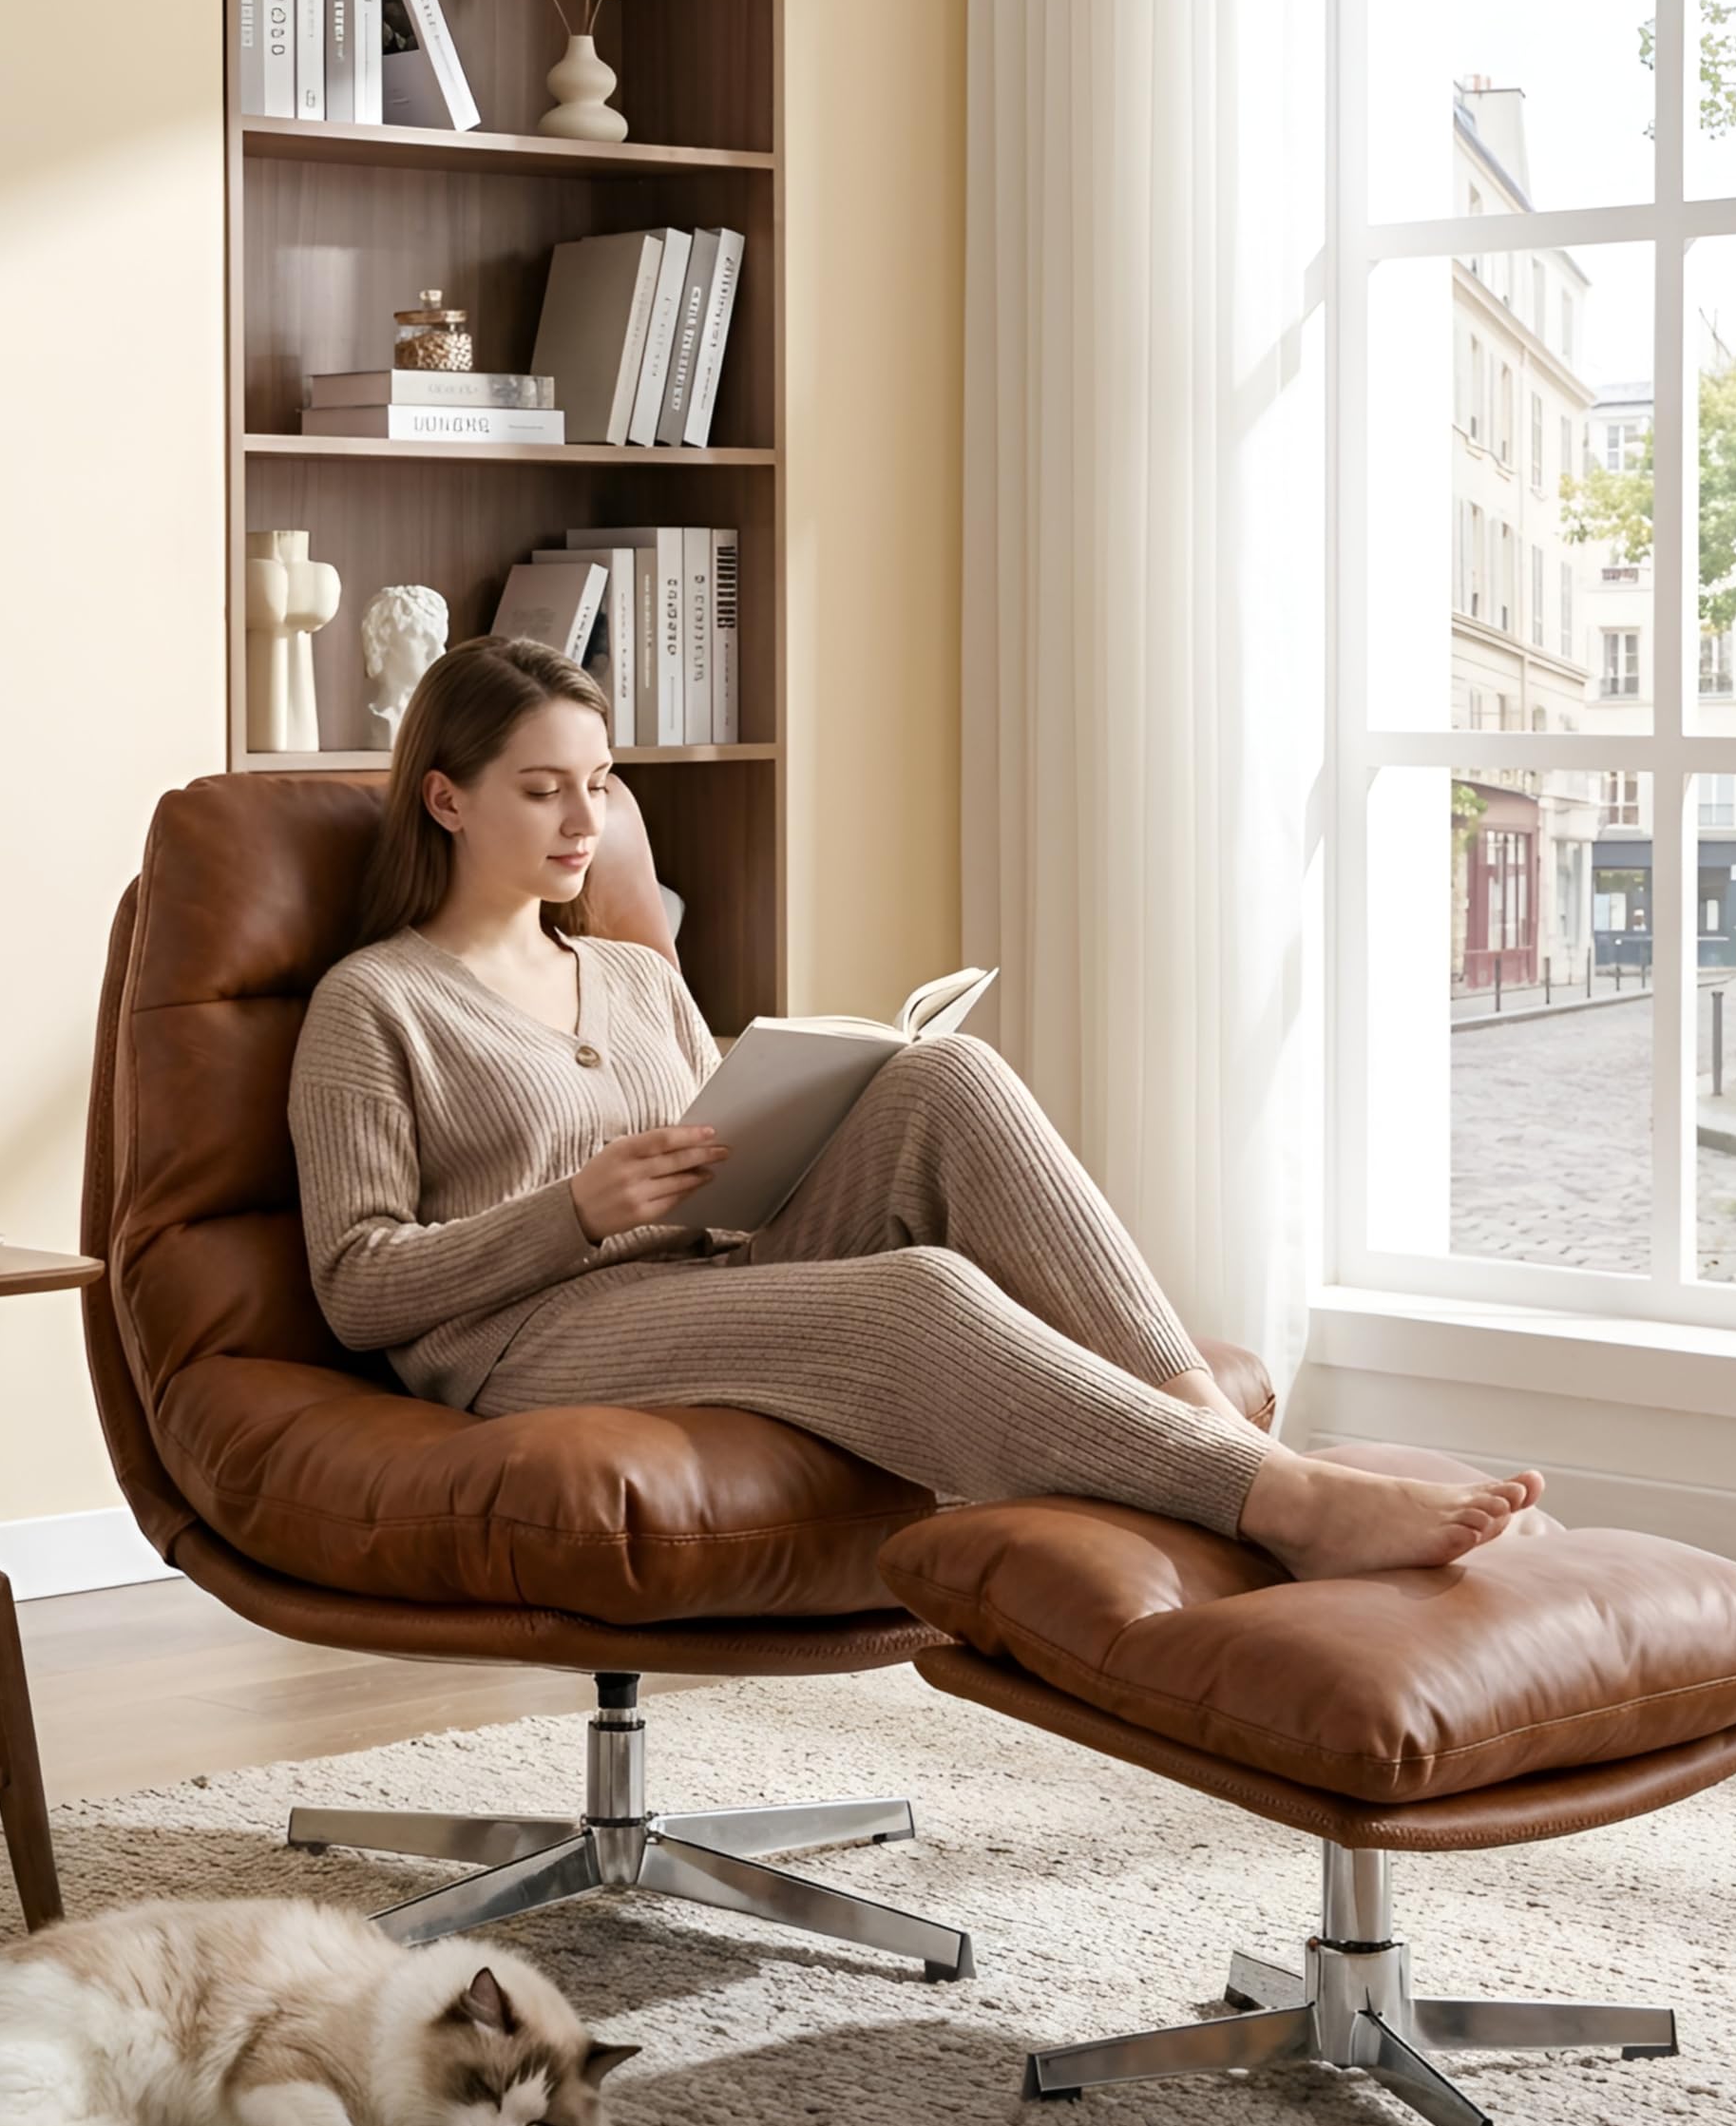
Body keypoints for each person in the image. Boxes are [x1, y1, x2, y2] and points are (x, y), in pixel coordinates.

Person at [286, 637, 1540, 1579]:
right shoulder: (374, 1002)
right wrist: (572, 1210)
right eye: (542, 788)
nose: (583, 820)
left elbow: (710, 1170)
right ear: (448, 798)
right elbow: (356, 1286)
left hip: (696, 1272)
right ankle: (1286, 1506)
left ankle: (1221, 1434)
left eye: (600, 785)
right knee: (920, 1292)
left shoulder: (626, 971)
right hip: (526, 1340)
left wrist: (800, 1110)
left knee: (946, 1071)